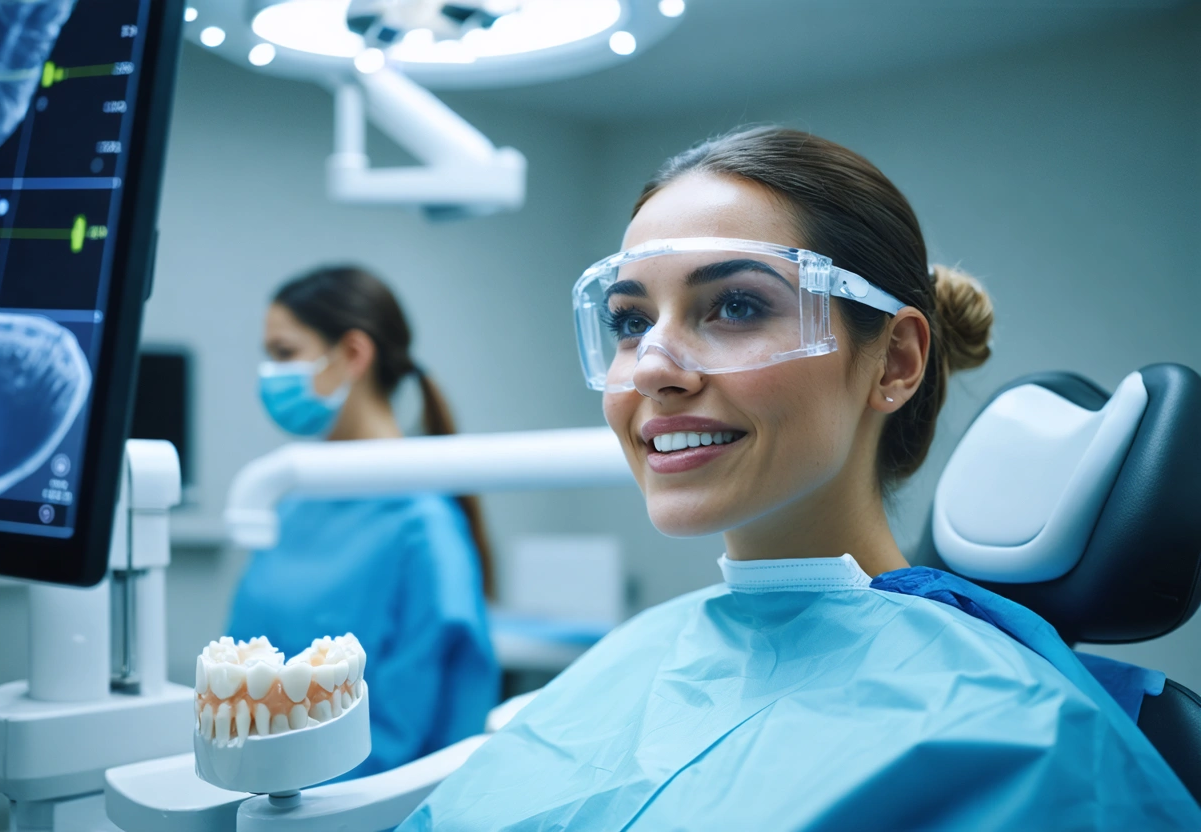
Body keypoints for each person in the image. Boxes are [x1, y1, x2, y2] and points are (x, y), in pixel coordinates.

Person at [398, 128, 1200, 829]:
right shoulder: (636, 655)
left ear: (894, 361)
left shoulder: (1012, 736)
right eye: (630, 321)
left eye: (737, 307)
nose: (653, 369)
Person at [228, 265, 499, 777]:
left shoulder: (423, 528)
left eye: (284, 353)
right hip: (252, 795)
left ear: (353, 354)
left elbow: (426, 741)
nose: (270, 374)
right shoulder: (290, 505)